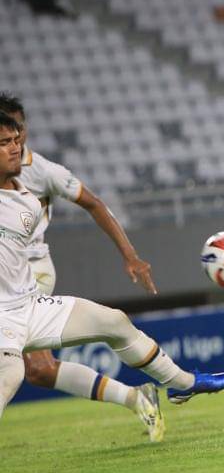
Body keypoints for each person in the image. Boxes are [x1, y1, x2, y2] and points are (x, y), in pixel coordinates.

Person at [0, 111, 224, 420]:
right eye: (4, 143)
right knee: (13, 373)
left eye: (16, 140)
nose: (15, 148)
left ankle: (182, 383)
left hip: (28, 305)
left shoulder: (28, 201)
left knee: (114, 322)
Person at [0, 93, 163, 440]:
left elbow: (94, 203)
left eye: (18, 131)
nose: (16, 139)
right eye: (7, 134)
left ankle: (139, 398)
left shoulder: (43, 171)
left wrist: (130, 254)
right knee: (41, 371)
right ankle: (137, 398)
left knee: (27, 365)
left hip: (31, 273)